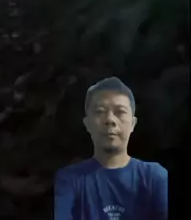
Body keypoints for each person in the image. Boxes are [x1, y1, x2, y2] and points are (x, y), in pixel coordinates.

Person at [54, 76, 168, 219]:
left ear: (133, 124)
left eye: (120, 112)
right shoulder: (70, 179)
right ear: (87, 123)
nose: (110, 119)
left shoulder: (155, 177)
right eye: (100, 111)